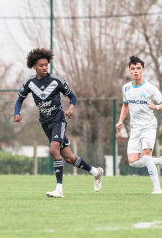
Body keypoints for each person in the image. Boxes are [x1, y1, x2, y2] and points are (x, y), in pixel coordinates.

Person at [13, 48, 103, 198]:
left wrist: (70, 109)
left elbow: (73, 98)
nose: (44, 67)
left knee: (53, 150)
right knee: (68, 158)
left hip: (58, 120)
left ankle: (59, 189)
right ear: (34, 66)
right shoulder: (29, 82)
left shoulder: (57, 81)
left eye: (46, 64)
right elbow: (19, 99)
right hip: (45, 123)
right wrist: (17, 113)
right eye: (40, 65)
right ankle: (96, 172)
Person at [115, 56, 162, 194]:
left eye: (138, 68)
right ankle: (159, 161)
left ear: (143, 70)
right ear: (129, 71)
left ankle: (157, 189)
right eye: (133, 69)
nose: (135, 71)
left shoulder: (150, 88)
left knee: (146, 155)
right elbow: (125, 105)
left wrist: (156, 107)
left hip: (149, 127)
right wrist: (120, 121)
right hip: (135, 129)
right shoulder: (126, 88)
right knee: (132, 161)